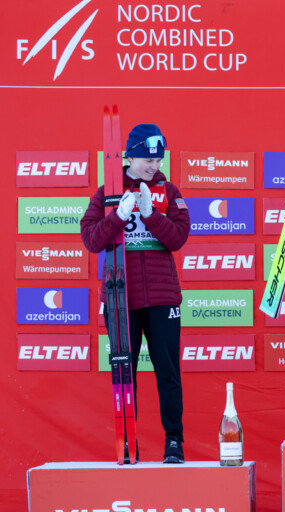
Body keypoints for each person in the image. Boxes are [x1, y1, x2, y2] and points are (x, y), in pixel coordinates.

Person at [80, 123, 190, 463]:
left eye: (158, 159)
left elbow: (178, 238)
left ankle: (174, 443)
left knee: (167, 372)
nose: (154, 166)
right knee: (124, 372)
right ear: (129, 155)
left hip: (161, 298)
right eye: (147, 159)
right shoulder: (107, 192)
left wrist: (149, 213)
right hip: (120, 298)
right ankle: (128, 442)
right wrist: (119, 215)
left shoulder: (169, 191)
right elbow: (92, 240)